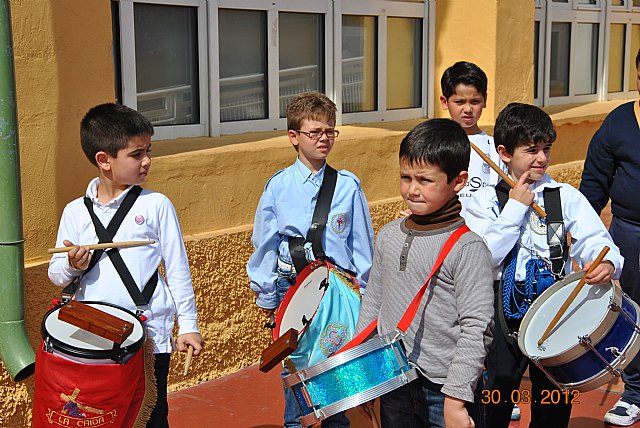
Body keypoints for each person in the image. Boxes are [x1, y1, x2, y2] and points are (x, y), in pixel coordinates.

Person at [464, 103, 624, 428]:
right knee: (494, 396)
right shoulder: (481, 200)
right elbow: (483, 259)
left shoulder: (561, 196)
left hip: (555, 307)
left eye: (546, 149)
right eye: (531, 150)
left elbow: (594, 240)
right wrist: (513, 210)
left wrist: (604, 260)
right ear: (504, 153)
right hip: (498, 310)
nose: (541, 158)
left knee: (553, 401)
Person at [48, 103, 204, 428]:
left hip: (148, 334)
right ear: (104, 160)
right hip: (92, 333)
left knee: (150, 417)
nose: (146, 161)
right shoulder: (75, 212)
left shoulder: (156, 205)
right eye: (136, 154)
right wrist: (73, 265)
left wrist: (188, 324)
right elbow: (56, 273)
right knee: (101, 416)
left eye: (149, 151)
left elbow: (177, 269)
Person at [246, 92, 375, 427]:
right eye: (315, 132)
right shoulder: (277, 187)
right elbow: (265, 245)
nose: (324, 139)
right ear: (294, 137)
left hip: (338, 293)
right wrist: (267, 295)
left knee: (338, 372)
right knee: (296, 374)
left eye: (330, 131)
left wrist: (367, 294)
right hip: (295, 290)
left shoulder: (348, 186)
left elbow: (362, 247)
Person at [355, 118, 494, 428]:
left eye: (425, 180)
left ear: (458, 181)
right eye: (405, 177)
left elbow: (477, 327)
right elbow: (373, 305)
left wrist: (456, 400)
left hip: (444, 389)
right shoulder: (389, 235)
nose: (412, 189)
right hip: (393, 380)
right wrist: (364, 374)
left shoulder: (468, 248)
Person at [579, 49, 640, 427]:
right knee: (630, 315)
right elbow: (593, 186)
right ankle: (634, 393)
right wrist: (581, 237)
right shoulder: (618, 122)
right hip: (629, 234)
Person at [440, 61, 505, 214]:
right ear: (445, 102)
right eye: (459, 102)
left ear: (485, 100)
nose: (468, 109)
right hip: (446, 231)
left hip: (486, 231)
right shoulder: (435, 143)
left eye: (475, 101)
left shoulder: (496, 147)